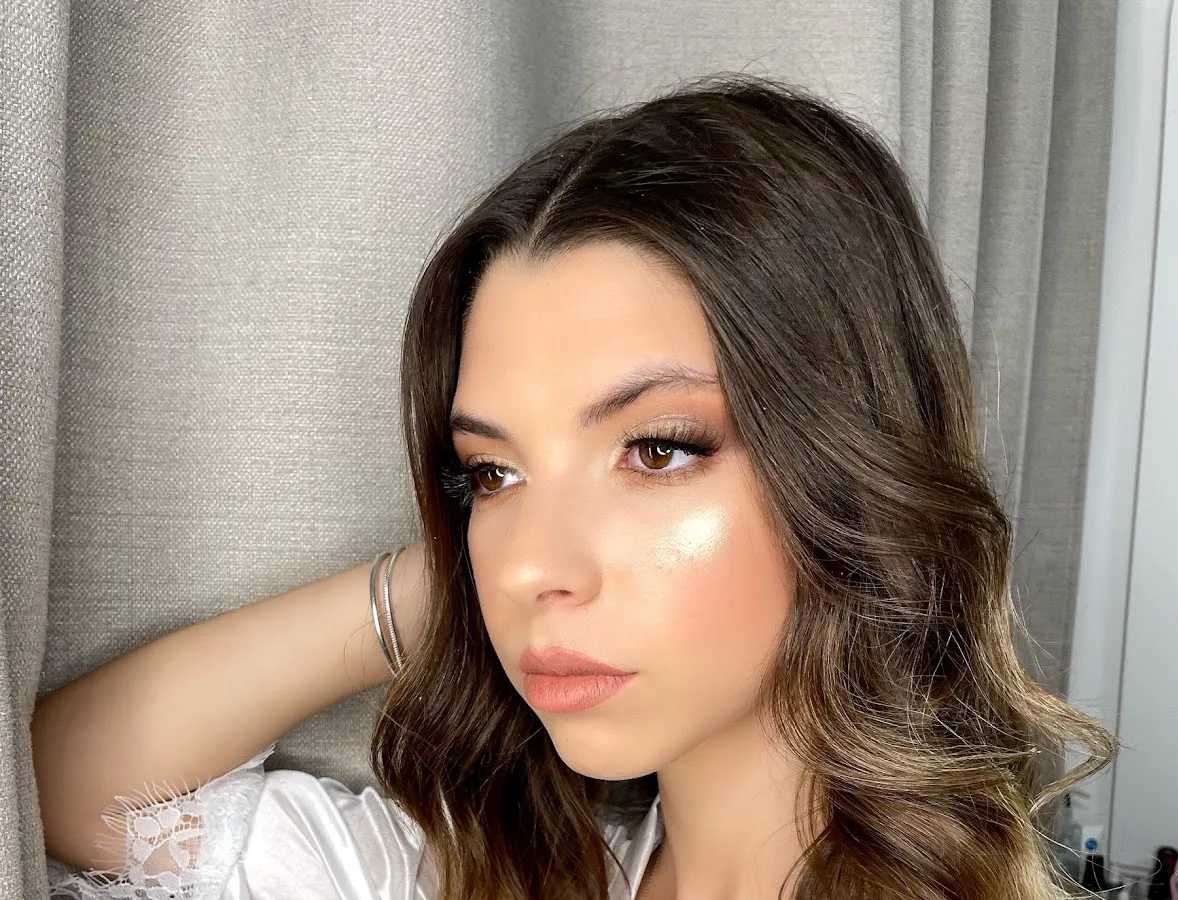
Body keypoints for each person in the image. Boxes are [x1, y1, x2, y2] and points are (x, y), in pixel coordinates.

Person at [32, 72, 1118, 900]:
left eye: (658, 449)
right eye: (489, 473)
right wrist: (458, 577)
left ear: (851, 465)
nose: (534, 565)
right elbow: (63, 789)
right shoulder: (472, 877)